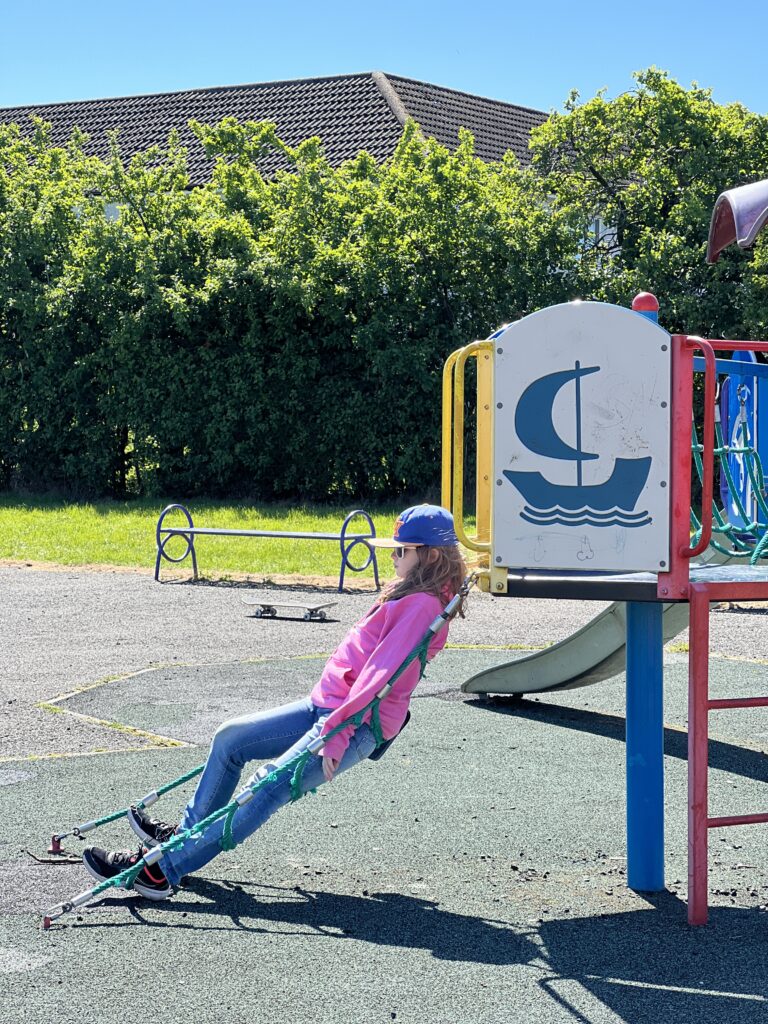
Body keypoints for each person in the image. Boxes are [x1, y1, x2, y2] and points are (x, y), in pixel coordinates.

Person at [81, 504, 468, 900]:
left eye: (402, 550)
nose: (392, 556)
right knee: (231, 740)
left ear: (431, 556)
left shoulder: (422, 605)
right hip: (327, 706)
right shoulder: (417, 595)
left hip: (349, 723)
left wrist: (333, 737)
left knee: (266, 788)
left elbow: (378, 679)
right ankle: (184, 840)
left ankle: (163, 870)